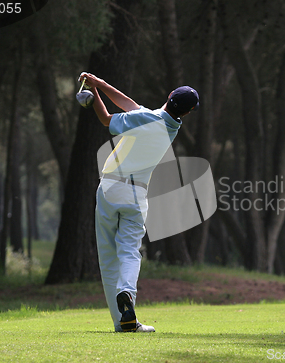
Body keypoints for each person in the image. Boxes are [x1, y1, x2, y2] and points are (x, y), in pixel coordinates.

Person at [79, 72, 199, 333]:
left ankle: (120, 322)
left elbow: (107, 119)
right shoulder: (170, 125)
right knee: (129, 251)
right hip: (135, 194)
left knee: (108, 257)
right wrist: (98, 83)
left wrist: (94, 94)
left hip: (109, 187)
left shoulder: (148, 117)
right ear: (187, 113)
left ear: (169, 96)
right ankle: (127, 294)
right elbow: (129, 104)